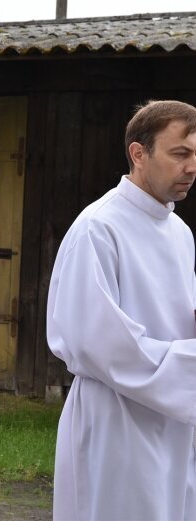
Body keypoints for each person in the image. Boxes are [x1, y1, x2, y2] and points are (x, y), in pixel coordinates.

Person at [47, 99, 196, 520]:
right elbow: (100, 344)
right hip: (117, 422)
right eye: (180, 154)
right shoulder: (99, 227)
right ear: (139, 153)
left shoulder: (180, 233)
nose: (191, 168)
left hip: (174, 420)